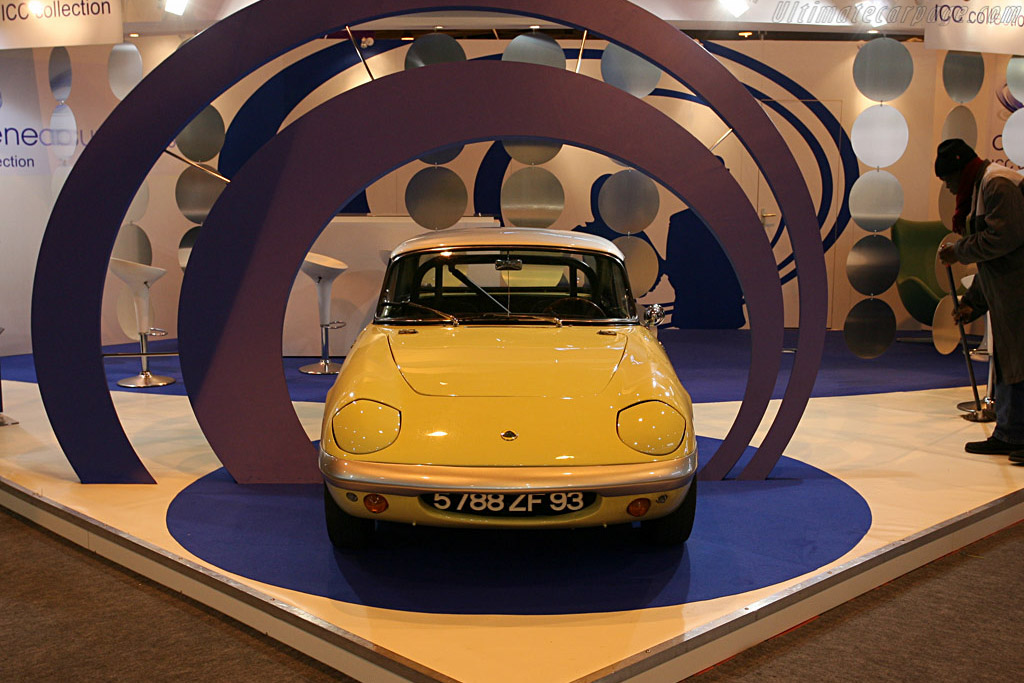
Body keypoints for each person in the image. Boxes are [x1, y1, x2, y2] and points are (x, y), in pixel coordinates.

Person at [935, 139, 1024, 461]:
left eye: (947, 179)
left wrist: (959, 251)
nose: (947, 188)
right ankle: (1010, 433)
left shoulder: (997, 184)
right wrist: (975, 301)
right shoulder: (981, 186)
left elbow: (1006, 238)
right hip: (1008, 290)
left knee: (1020, 363)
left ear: (961, 171)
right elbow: (996, 262)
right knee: (1009, 362)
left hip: (1019, 290)